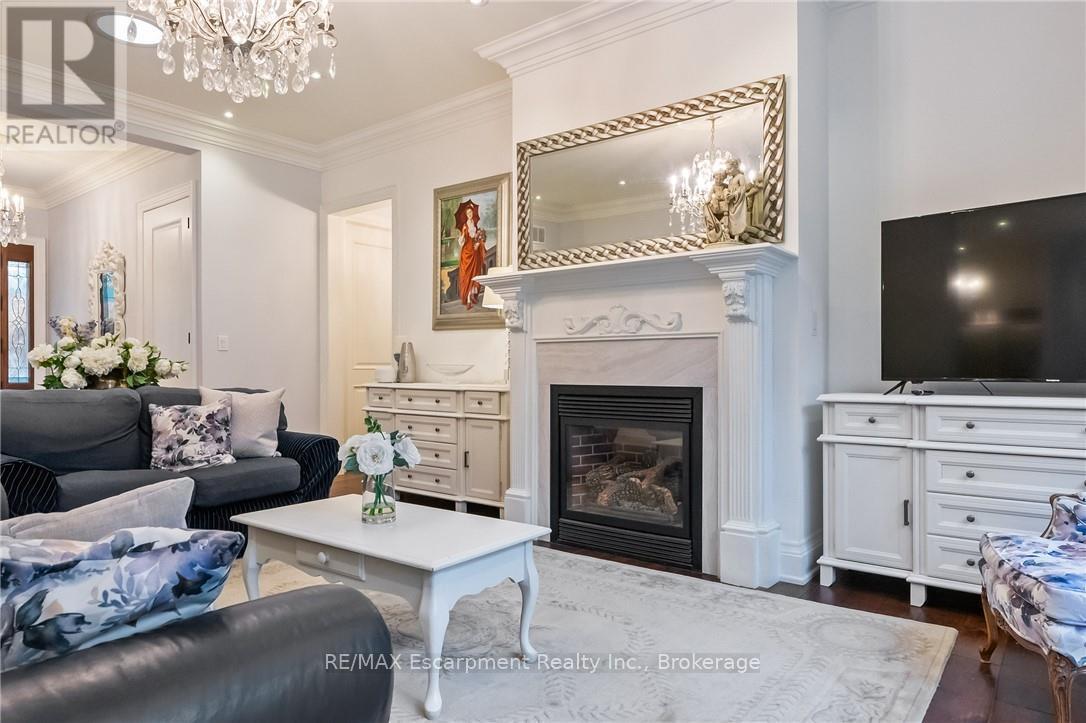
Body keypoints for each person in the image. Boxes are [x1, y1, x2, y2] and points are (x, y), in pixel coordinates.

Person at [455, 200, 487, 310]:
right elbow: (462, 241)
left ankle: (472, 296)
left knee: (475, 274)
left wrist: (479, 242)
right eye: (468, 213)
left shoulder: (475, 225)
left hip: (475, 252)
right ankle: (468, 299)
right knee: (467, 276)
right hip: (467, 253)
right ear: (466, 214)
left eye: (471, 212)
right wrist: (463, 235)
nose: (470, 214)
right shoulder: (465, 226)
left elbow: (477, 238)